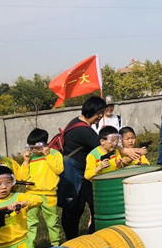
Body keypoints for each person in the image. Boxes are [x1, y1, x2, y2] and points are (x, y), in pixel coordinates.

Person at [59, 96, 141, 240]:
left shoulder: (77, 123)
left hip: (83, 172)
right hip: (75, 173)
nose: (101, 116)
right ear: (91, 111)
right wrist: (128, 151)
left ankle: (90, 236)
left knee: (87, 204)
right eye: (99, 113)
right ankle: (73, 240)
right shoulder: (83, 130)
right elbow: (104, 145)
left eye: (102, 113)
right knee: (74, 208)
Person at [17, 128, 63, 248]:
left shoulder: (54, 154)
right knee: (30, 222)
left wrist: (47, 156)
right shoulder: (30, 157)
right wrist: (26, 162)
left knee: (52, 221)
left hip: (49, 194)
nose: (34, 151)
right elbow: (23, 177)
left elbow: (58, 169)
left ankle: (55, 244)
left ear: (44, 144)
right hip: (31, 194)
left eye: (37, 147)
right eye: (31, 148)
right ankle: (29, 247)